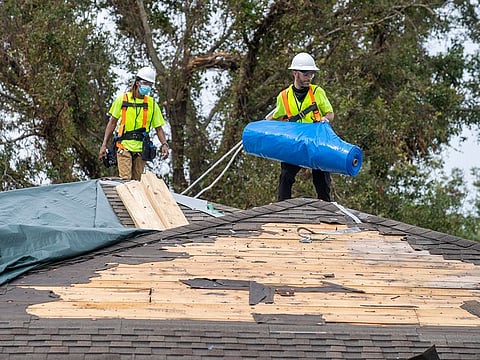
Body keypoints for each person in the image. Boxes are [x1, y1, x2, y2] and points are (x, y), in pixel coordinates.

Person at [266, 52, 334, 202]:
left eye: (311, 74)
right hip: (295, 143)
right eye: (305, 74)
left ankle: (327, 211)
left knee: (321, 180)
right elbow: (276, 118)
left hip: (315, 142)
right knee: (286, 176)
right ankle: (282, 210)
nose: (309, 77)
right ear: (295, 73)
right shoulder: (284, 96)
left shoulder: (317, 92)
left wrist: (325, 119)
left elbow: (330, 114)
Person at [99, 66, 169, 181]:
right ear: (137, 83)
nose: (148, 87)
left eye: (150, 84)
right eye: (145, 83)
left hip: (141, 149)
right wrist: (104, 144)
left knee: (137, 183)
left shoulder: (152, 104)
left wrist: (164, 144)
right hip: (124, 146)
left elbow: (159, 128)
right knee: (126, 181)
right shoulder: (122, 100)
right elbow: (112, 123)